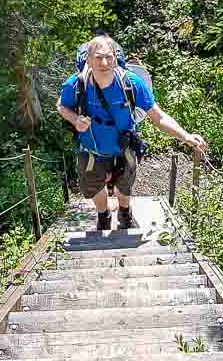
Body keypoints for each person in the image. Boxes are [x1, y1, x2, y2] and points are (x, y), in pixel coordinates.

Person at [57, 34, 208, 230]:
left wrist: (186, 136)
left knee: (124, 187)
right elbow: (61, 106)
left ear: (115, 57)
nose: (104, 62)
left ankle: (124, 211)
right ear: (88, 59)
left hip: (123, 148)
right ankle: (103, 215)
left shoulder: (131, 83)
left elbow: (158, 117)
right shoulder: (77, 84)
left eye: (109, 57)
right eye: (98, 57)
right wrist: (75, 120)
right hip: (91, 150)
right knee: (94, 188)